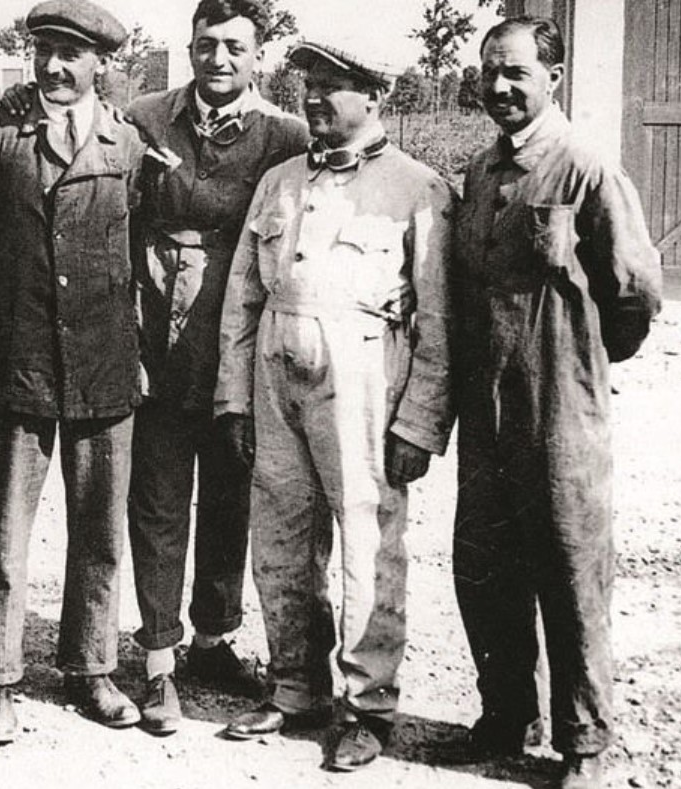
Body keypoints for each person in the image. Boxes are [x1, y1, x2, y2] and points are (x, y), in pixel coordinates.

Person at [214, 40, 457, 772]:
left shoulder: (419, 189)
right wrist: (233, 397)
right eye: (308, 87)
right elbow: (242, 297)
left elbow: (440, 324)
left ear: (374, 97)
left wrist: (419, 420)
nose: (313, 100)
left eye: (332, 88)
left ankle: (367, 703)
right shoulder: (280, 181)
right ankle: (294, 685)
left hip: (363, 382)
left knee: (365, 541)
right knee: (280, 534)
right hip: (275, 373)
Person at [453, 17, 662, 789]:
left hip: (561, 411)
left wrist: (577, 364)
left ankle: (584, 740)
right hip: (488, 412)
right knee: (483, 564)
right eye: (489, 73)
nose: (500, 87)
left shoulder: (584, 169)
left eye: (516, 73)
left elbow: (634, 293)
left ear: (554, 78)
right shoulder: (479, 172)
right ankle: (506, 713)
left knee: (571, 572)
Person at [0, 0, 145, 746]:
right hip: (19, 361)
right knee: (3, 529)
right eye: (44, 52)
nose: (54, 67)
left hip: (104, 364)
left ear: (103, 64)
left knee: (100, 529)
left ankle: (92, 668)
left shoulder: (127, 141)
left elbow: (143, 249)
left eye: (72, 54)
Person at [123, 0, 309, 735]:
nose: (219, 59)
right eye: (207, 45)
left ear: (258, 54)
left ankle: (213, 639)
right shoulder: (144, 118)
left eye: (235, 47)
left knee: (231, 497)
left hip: (241, 350)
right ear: (190, 47)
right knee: (159, 501)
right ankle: (159, 662)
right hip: (158, 344)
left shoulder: (288, 136)